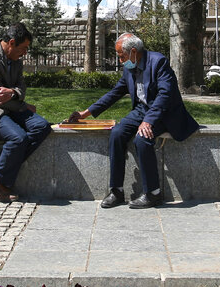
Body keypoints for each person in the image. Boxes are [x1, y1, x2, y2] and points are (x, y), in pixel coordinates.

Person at [67, 33, 199, 209]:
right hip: (141, 110)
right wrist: (86, 113)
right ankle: (116, 191)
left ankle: (153, 194)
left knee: (142, 139)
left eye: (121, 55)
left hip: (163, 113)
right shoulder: (130, 66)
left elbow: (165, 95)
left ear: (133, 51)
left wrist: (148, 121)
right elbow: (115, 92)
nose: (120, 60)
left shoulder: (159, 62)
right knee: (116, 133)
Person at [0, 22, 52, 202]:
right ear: (12, 43)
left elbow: (21, 86)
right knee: (18, 138)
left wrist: (14, 93)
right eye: (23, 48)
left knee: (42, 126)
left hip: (12, 107)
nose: (25, 53)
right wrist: (22, 104)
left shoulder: (16, 60)